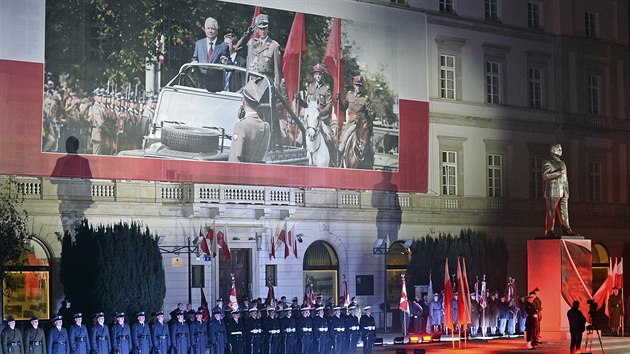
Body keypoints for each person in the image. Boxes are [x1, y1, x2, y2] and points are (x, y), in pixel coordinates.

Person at [228, 80, 270, 163]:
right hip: (256, 172)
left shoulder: (241, 125)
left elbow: (234, 158)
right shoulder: (266, 127)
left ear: (243, 103)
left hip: (241, 173)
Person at [338, 75, 375, 165]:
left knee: (369, 145)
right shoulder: (349, 95)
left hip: (361, 126)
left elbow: (370, 113)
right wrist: (338, 101)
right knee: (342, 142)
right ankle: (339, 162)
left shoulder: (365, 99)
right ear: (354, 85)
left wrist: (371, 115)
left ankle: (370, 162)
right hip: (351, 124)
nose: (358, 87)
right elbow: (343, 108)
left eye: (360, 86)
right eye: (356, 85)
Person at [543, 143, 576, 237]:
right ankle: (549, 230)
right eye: (558, 148)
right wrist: (558, 173)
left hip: (563, 190)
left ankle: (566, 229)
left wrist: (567, 191)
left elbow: (565, 178)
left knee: (564, 211)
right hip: (553, 190)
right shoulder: (548, 162)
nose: (561, 150)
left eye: (561, 148)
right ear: (552, 150)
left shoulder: (562, 163)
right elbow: (545, 176)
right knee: (551, 211)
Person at [247, 14, 282, 89]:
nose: (262, 31)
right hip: (253, 81)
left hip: (266, 82)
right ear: (257, 29)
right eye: (260, 29)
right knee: (246, 99)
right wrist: (247, 34)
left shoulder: (274, 46)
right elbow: (237, 48)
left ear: (267, 29)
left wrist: (276, 89)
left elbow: (277, 71)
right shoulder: (252, 44)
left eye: (264, 29)